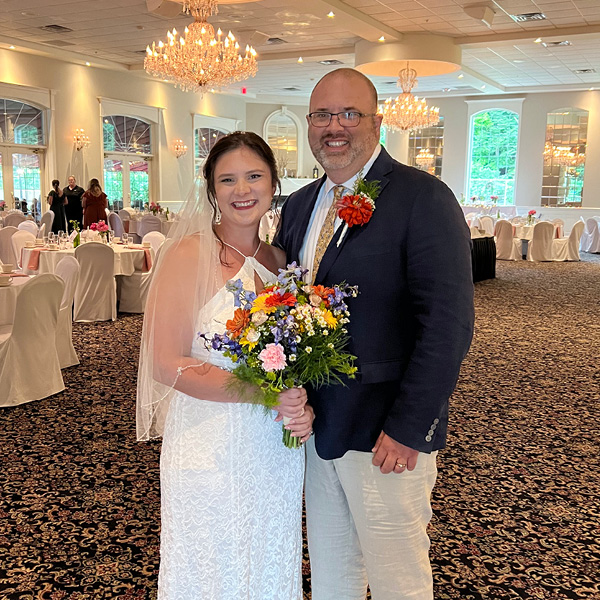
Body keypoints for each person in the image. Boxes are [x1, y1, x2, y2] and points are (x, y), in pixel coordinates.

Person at [274, 68, 475, 600]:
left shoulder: (422, 197)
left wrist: (411, 427)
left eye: (349, 114)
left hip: (387, 435)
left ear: (376, 122)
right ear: (309, 124)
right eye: (322, 115)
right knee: (334, 572)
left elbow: (448, 324)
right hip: (317, 431)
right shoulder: (297, 206)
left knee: (397, 581)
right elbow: (282, 312)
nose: (333, 127)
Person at [136, 131, 313, 599]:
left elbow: (292, 356)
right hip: (205, 439)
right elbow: (164, 362)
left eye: (254, 176)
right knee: (210, 559)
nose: (242, 190)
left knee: (269, 551)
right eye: (228, 179)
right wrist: (261, 392)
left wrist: (298, 403)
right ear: (211, 190)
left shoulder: (279, 260)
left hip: (272, 447)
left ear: (273, 183)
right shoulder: (187, 255)